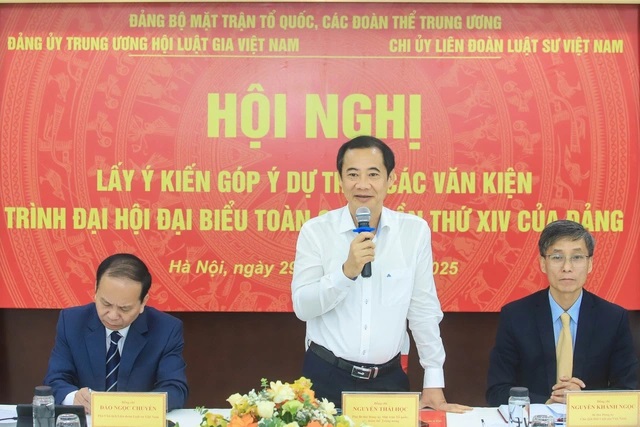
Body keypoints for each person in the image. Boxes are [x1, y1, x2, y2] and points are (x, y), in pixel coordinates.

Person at [291, 135, 470, 412]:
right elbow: (303, 307)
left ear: (391, 179)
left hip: (388, 380)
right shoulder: (316, 231)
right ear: (340, 180)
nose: (362, 184)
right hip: (325, 377)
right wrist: (346, 272)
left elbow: (423, 309)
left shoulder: (413, 232)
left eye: (373, 174)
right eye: (353, 174)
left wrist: (433, 381)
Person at [486, 220, 638, 406]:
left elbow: (628, 391)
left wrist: (582, 401)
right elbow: (497, 390)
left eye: (577, 257)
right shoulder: (515, 316)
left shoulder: (613, 318)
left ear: (590, 263)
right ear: (543, 263)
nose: (567, 267)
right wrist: (548, 402)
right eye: (557, 257)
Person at [44, 253, 188, 413]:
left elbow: (175, 389)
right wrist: (74, 398)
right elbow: (55, 380)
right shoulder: (72, 321)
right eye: (106, 303)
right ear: (96, 290)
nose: (112, 316)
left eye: (124, 308)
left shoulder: (166, 329)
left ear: (143, 302)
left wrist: (129, 407)